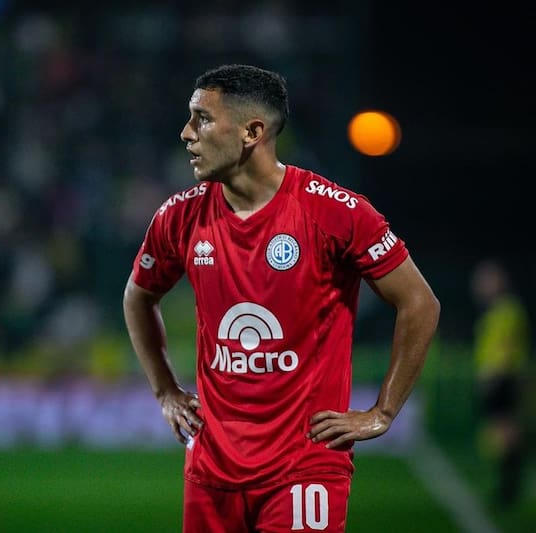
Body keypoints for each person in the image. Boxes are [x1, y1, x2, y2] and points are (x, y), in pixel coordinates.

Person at [122, 64, 441, 532]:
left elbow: (419, 303)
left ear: (253, 131)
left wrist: (383, 411)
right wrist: (165, 391)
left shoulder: (334, 211)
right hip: (212, 468)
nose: (186, 133)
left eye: (202, 118)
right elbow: (138, 297)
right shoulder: (180, 216)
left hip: (304, 467)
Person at [470, 257, 530, 507]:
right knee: (501, 433)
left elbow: (506, 345)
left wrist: (493, 374)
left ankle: (509, 489)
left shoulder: (507, 310)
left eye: (486, 280)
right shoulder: (496, 311)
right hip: (499, 378)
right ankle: (507, 487)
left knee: (505, 433)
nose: (480, 285)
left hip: (503, 379)